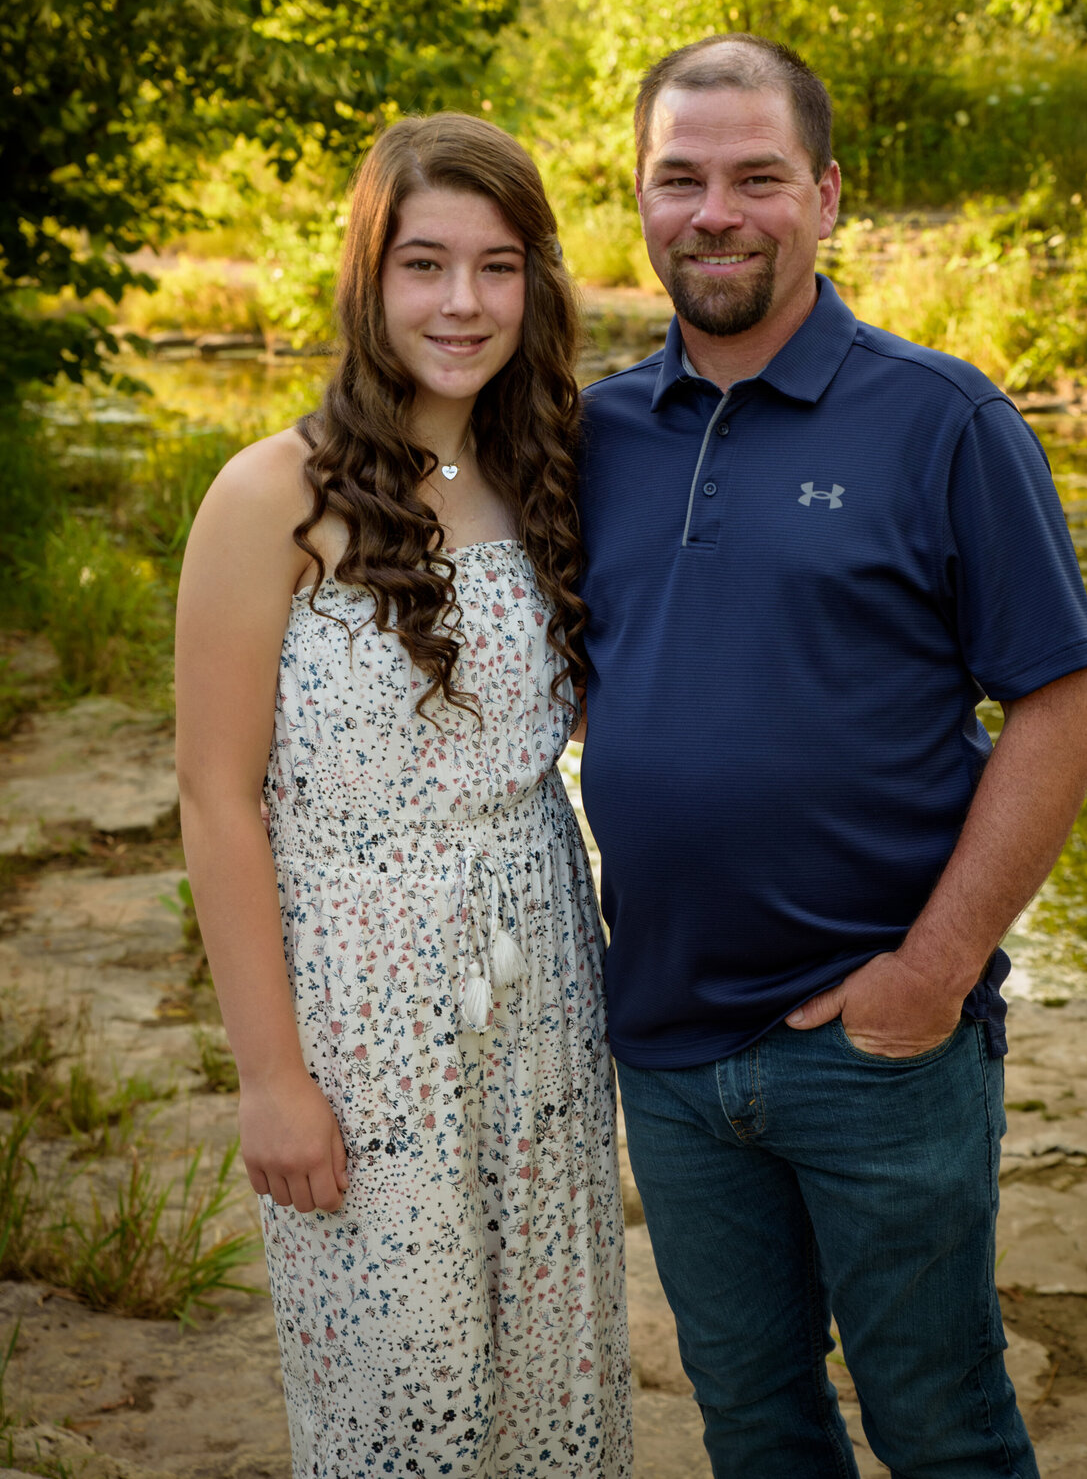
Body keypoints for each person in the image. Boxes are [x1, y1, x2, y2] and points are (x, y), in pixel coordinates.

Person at [576, 34, 1087, 1478]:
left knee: (941, 1424)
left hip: (880, 1049)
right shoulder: (596, 431)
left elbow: (1065, 707)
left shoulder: (944, 420)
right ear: (639, 196)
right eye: (679, 178)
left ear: (826, 195)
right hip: (672, 1051)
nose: (715, 212)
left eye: (757, 175)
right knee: (755, 1426)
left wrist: (930, 974)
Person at [176, 114, 631, 1479]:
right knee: (402, 1403)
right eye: (424, 264)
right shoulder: (272, 495)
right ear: (368, 278)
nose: (462, 303)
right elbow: (213, 795)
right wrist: (271, 1078)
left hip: (542, 990)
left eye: (498, 267)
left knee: (554, 1389)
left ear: (536, 284)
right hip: (361, 1020)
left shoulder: (551, 476)